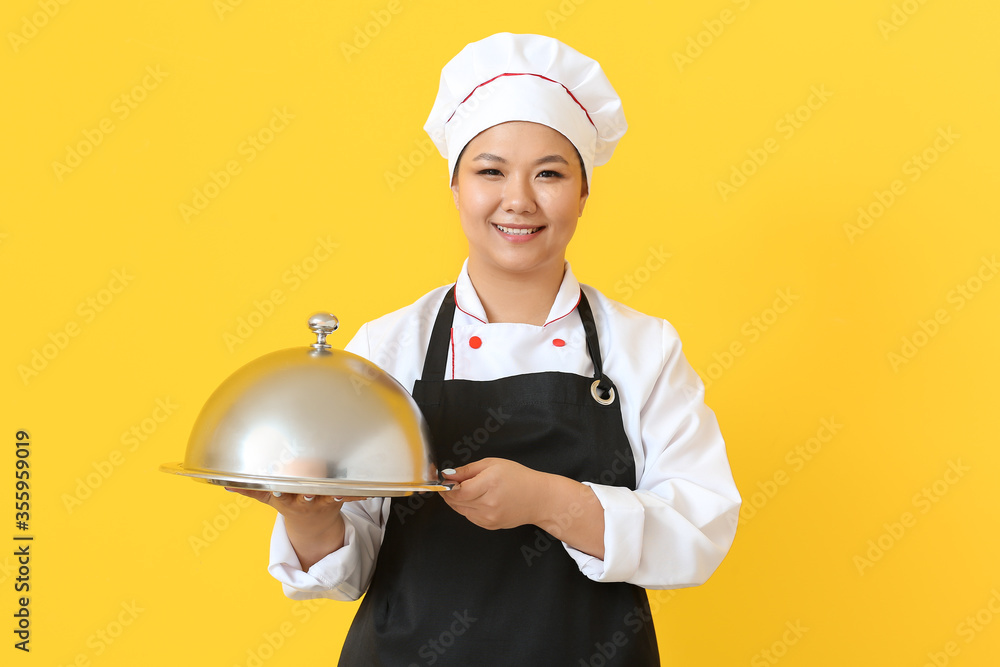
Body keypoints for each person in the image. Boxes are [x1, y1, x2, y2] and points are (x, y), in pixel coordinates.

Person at [233, 32, 741, 666]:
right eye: (490, 170)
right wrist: (306, 515)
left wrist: (549, 502)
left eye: (550, 173)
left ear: (584, 193)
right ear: (455, 186)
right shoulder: (391, 345)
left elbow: (701, 531)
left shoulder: (642, 348)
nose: (518, 200)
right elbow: (348, 566)